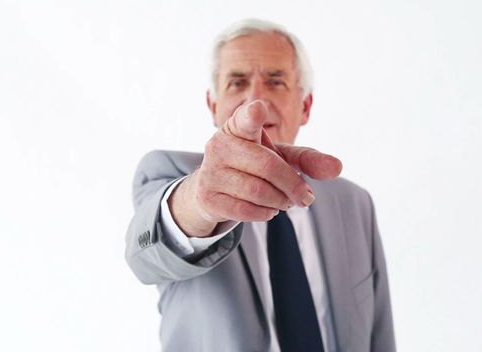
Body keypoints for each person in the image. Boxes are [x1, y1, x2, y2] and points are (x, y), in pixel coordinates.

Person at [125, 18, 396, 352]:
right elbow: (145, 256)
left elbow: (380, 337)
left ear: (306, 106)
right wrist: (199, 201)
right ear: (213, 106)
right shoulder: (168, 172)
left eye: (275, 82)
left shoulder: (354, 204)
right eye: (237, 83)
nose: (255, 103)